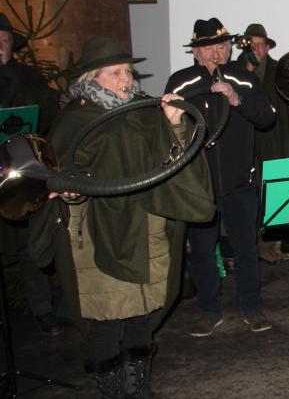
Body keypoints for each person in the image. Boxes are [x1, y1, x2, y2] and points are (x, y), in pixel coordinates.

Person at [30, 35, 214, 397]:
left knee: (141, 314)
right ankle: (112, 392)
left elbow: (169, 156)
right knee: (105, 319)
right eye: (114, 72)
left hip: (145, 226)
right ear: (91, 78)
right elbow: (59, 172)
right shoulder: (76, 119)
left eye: (128, 71)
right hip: (99, 234)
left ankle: (139, 388)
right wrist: (69, 189)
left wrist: (174, 123)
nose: (125, 79)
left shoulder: (142, 111)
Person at [166, 18, 276, 337]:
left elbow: (267, 117)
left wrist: (236, 99)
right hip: (200, 186)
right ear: (196, 52)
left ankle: (251, 308)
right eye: (211, 47)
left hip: (240, 182)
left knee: (246, 249)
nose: (219, 51)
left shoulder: (243, 78)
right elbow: (167, 128)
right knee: (202, 251)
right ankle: (209, 311)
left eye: (224, 45)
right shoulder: (181, 82)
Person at [1, 11, 64, 335]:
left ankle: (43, 309)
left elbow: (48, 114)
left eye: (3, 39)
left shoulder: (28, 78)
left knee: (30, 246)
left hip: (22, 175)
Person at [237, 23, 289, 262]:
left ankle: (270, 244)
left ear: (267, 47)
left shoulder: (280, 72)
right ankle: (248, 246)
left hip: (275, 140)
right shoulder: (234, 71)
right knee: (248, 198)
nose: (256, 49)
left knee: (274, 194)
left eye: (260, 45)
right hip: (245, 143)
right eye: (251, 45)